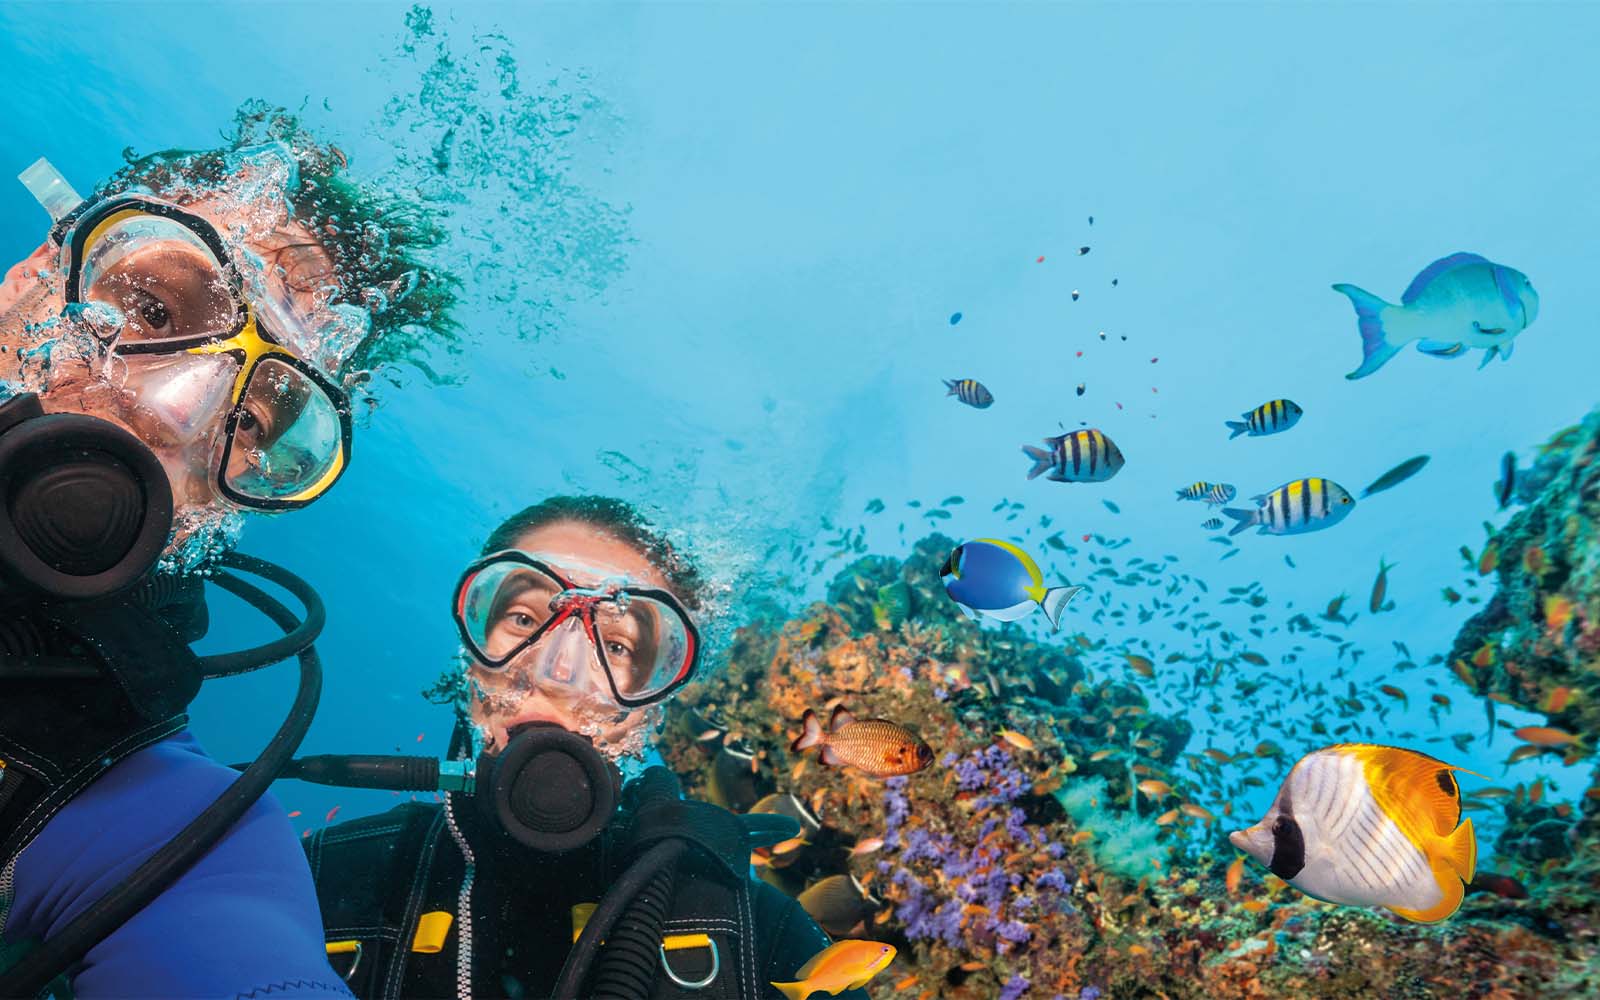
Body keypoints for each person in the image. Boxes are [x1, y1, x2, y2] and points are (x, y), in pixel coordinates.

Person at [0, 105, 458, 999]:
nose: (177, 411)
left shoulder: (167, 828)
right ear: (28, 281)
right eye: (150, 304)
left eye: (248, 416)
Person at [306, 496, 867, 1000]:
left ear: (651, 707)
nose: (558, 673)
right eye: (523, 617)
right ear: (470, 655)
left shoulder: (760, 936)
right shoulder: (312, 877)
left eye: (618, 645)